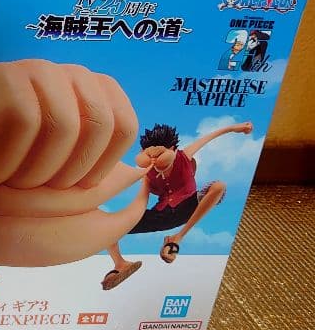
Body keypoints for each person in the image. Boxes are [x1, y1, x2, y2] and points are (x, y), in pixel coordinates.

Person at [101, 120, 253, 290]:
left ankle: (177, 238)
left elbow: (208, 137)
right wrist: (124, 220)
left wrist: (234, 128)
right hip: (162, 215)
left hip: (189, 205)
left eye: (159, 155)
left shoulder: (184, 156)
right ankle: (120, 264)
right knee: (110, 226)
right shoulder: (148, 174)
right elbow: (141, 200)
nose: (155, 161)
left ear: (172, 149)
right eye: (150, 156)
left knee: (219, 186)